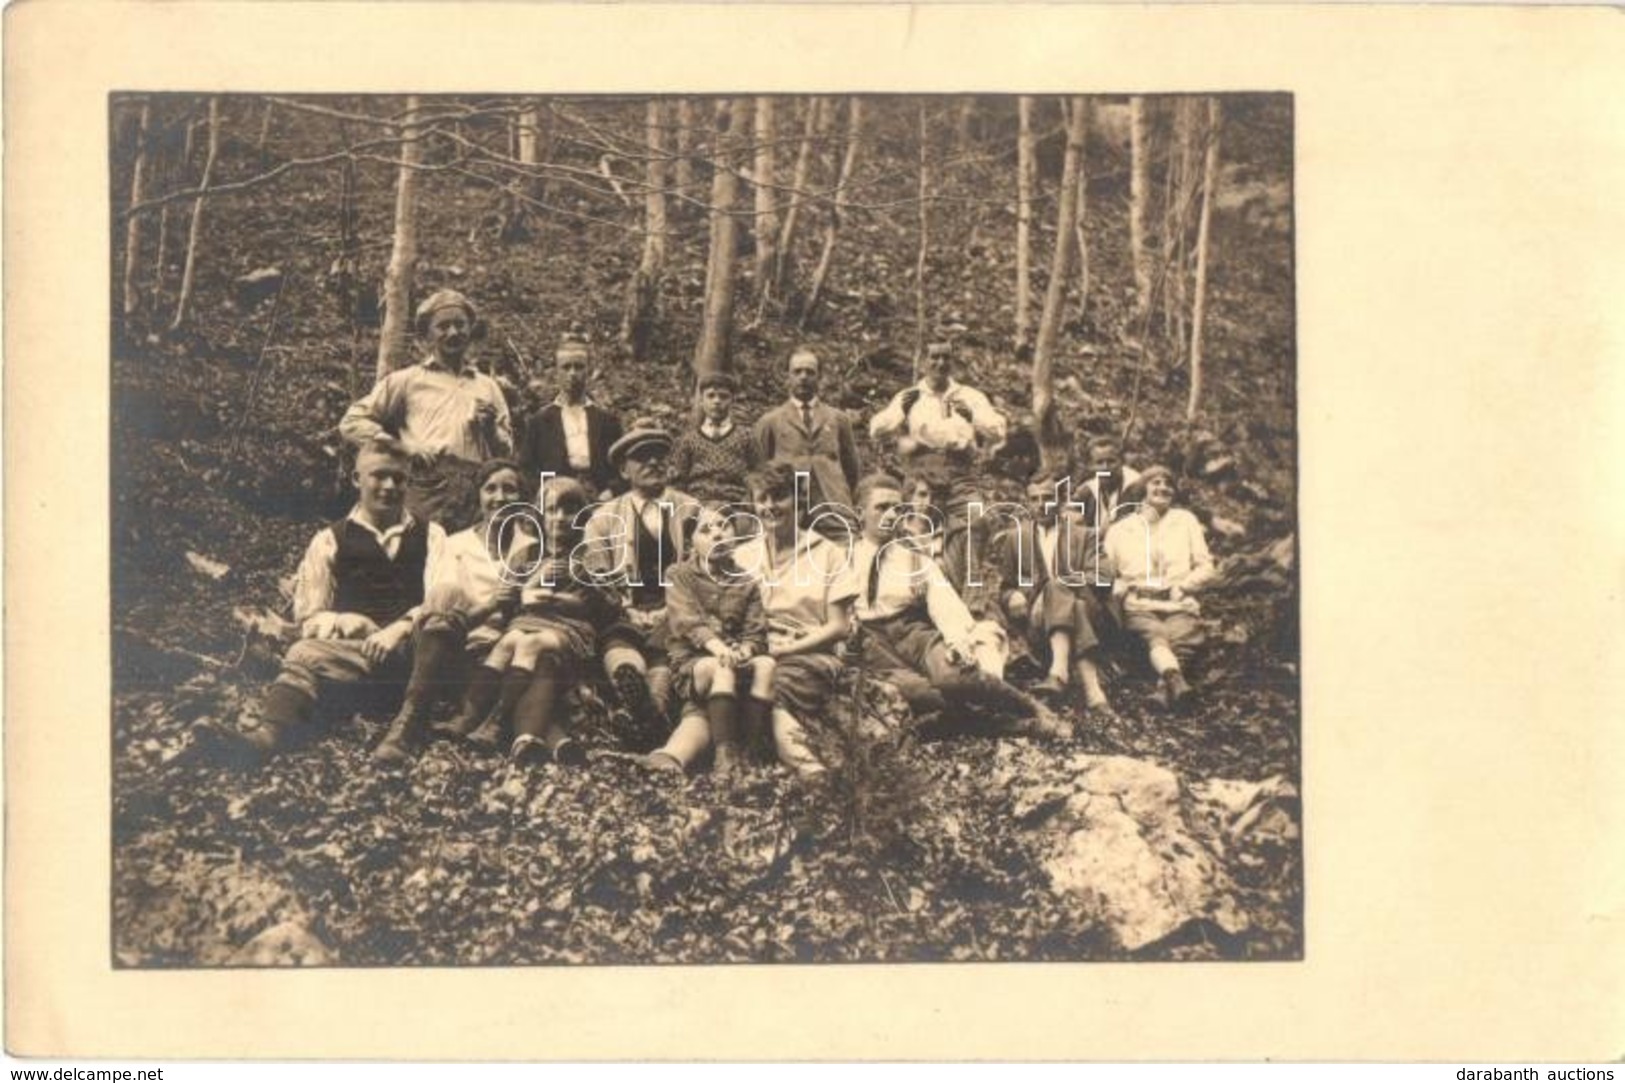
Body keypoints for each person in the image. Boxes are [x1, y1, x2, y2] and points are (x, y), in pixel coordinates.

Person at [192, 438, 447, 767]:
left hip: (414, 660)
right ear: (357, 479)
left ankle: (403, 726)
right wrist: (343, 621)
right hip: (353, 659)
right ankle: (265, 737)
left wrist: (398, 629)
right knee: (303, 652)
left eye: (398, 478)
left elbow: (442, 599)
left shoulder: (432, 535)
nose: (389, 486)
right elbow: (309, 617)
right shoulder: (330, 540)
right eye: (378, 476)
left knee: (437, 631)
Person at [849, 475, 1066, 737]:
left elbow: (945, 606)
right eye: (881, 507)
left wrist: (958, 642)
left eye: (896, 507)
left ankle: (1030, 706)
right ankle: (1015, 726)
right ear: (860, 514)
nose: (891, 514)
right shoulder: (841, 558)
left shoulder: (914, 559)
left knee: (953, 678)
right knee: (920, 694)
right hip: (872, 642)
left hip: (914, 633)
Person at [372, 457, 535, 763]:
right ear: (479, 495)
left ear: (522, 498)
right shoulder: (455, 544)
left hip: (497, 657)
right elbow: (439, 608)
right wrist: (491, 606)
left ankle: (415, 716)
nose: (499, 497)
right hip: (451, 645)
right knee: (447, 593)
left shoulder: (533, 548)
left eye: (509, 490)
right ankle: (409, 720)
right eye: (491, 489)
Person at [339, 290, 512, 528]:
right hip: (428, 487)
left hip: (476, 491)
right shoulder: (407, 381)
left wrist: (490, 428)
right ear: (427, 335)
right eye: (443, 326)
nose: (453, 332)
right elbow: (353, 421)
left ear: (470, 330)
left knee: (470, 558)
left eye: (460, 325)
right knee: (424, 555)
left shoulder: (488, 387)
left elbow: (506, 453)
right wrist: (404, 447)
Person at [730, 461, 860, 779]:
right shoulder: (742, 556)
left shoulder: (827, 552)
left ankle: (810, 771)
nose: (770, 507)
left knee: (778, 684)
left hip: (809, 651)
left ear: (797, 500)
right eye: (762, 499)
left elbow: (838, 626)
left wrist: (784, 651)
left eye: (779, 497)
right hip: (757, 650)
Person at [480, 476, 621, 765]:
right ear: (539, 516)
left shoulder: (590, 554)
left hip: (572, 634)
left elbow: (609, 607)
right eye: (551, 510)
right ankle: (476, 719)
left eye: (569, 510)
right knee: (511, 641)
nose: (559, 518)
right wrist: (515, 594)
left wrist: (566, 592)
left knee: (531, 644)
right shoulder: (527, 554)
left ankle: (496, 718)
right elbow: (509, 606)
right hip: (526, 626)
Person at [581, 421, 700, 743]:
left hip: (676, 608)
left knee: (672, 640)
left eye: (659, 456)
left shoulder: (692, 510)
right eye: (642, 457)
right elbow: (597, 572)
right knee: (617, 637)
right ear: (624, 470)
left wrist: (672, 606)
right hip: (625, 608)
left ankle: (650, 711)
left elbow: (705, 566)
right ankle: (632, 686)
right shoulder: (604, 517)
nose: (653, 463)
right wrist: (623, 607)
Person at [642, 503, 776, 779]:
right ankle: (725, 761)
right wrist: (721, 650)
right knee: (721, 668)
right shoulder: (678, 575)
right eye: (706, 530)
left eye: (724, 526)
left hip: (733, 659)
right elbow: (687, 622)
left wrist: (747, 649)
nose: (717, 534)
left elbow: (756, 630)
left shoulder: (747, 581)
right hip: (694, 664)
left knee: (766, 665)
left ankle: (747, 753)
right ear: (692, 542)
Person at [999, 473, 1116, 719]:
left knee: (1064, 594)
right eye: (1034, 499)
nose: (1041, 504)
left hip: (1092, 618)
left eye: (1048, 498)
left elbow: (1104, 576)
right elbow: (1006, 587)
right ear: (1027, 502)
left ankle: (1059, 671)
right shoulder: (1015, 539)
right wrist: (1012, 597)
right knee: (1068, 600)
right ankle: (1094, 693)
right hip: (1039, 623)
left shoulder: (1084, 535)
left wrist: (1061, 586)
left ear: (1061, 500)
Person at [1103, 465, 1215, 711]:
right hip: (1139, 604)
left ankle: (1164, 690)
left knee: (1182, 637)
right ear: (1143, 488)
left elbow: (1206, 566)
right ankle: (1174, 682)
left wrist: (1185, 586)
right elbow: (1106, 572)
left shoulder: (1185, 521)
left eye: (1168, 484)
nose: (1163, 488)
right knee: (1154, 633)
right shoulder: (1120, 530)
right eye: (1156, 482)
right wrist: (1118, 585)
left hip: (1177, 601)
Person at [869, 332, 1007, 465]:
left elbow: (999, 432)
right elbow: (876, 430)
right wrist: (902, 412)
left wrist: (973, 416)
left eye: (946, 357)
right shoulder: (910, 396)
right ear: (923, 361)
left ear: (952, 361)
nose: (941, 363)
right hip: (922, 471)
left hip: (962, 469)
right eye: (934, 357)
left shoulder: (970, 396)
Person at [517, 329, 624, 500]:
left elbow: (623, 467)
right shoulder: (540, 421)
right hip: (556, 499)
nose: (572, 373)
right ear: (556, 372)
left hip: (600, 497)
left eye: (579, 367)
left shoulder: (607, 421)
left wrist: (610, 491)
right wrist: (546, 491)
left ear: (588, 371)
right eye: (566, 367)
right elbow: (526, 469)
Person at [753, 346, 863, 514]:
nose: (803, 377)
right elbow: (758, 470)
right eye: (797, 372)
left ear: (819, 377)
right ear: (787, 377)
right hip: (790, 508)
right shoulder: (770, 421)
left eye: (810, 372)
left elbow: (851, 469)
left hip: (832, 505)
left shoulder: (838, 419)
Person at [669, 371, 759, 503]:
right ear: (701, 400)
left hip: (737, 504)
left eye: (723, 397)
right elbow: (678, 481)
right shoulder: (689, 439)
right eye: (710, 396)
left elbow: (758, 475)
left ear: (732, 400)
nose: (717, 401)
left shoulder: (746, 436)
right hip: (698, 504)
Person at [1080, 434, 1141, 529]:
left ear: (1121, 461)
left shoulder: (1137, 485)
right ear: (1091, 466)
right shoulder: (1088, 489)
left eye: (1111, 461)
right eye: (1099, 462)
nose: (1105, 468)